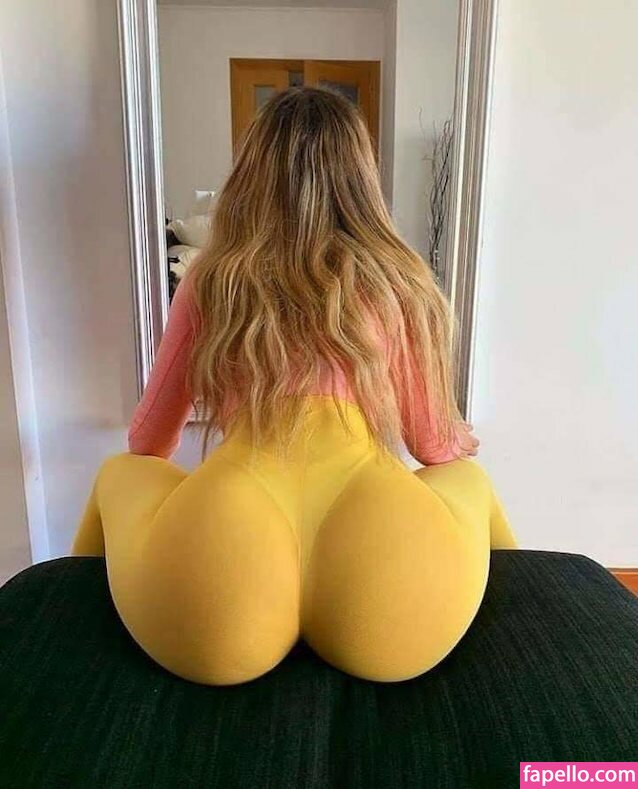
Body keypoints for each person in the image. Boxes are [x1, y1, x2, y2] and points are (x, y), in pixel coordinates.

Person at [73, 87, 517, 686]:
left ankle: (62, 614)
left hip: (226, 550)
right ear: (361, 177)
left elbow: (148, 441)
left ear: (250, 175)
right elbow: (434, 447)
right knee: (466, 479)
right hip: (384, 560)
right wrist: (458, 441)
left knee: (120, 473)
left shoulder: (211, 279)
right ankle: (532, 610)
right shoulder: (398, 281)